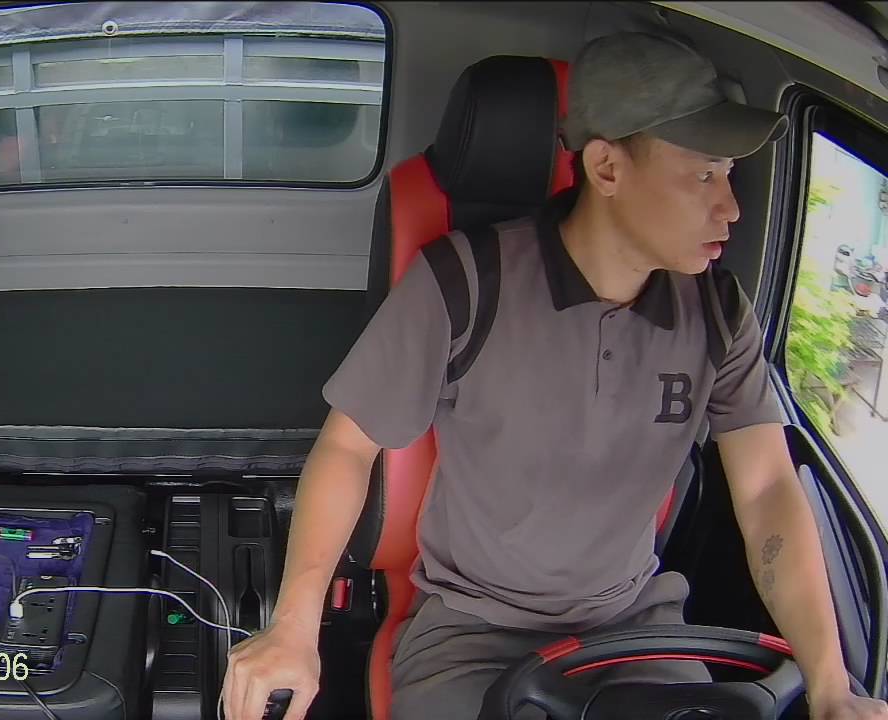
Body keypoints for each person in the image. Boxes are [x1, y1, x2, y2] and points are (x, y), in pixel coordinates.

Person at [221, 32, 888, 720]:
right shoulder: (465, 283)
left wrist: (832, 685)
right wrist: (293, 628)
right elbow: (348, 446)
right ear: (606, 167)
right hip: (471, 638)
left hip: (636, 629)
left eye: (729, 176)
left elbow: (769, 489)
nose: (731, 208)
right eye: (703, 177)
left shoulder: (719, 313)